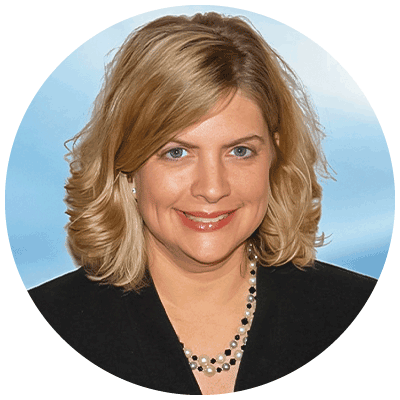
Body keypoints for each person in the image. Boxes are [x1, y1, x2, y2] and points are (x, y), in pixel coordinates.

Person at [29, 12, 376, 395]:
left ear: (274, 156)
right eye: (176, 152)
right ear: (127, 168)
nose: (212, 189)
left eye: (240, 151)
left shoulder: (364, 315)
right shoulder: (37, 329)